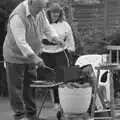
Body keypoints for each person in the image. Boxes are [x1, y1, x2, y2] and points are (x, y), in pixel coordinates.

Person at [3, 0, 63, 120]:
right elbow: (21, 43)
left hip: (31, 56)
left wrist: (55, 38)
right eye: (41, 6)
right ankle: (20, 115)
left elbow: (47, 28)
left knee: (30, 85)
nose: (43, 10)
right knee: (16, 88)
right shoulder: (17, 17)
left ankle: (32, 115)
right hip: (14, 56)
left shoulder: (40, 11)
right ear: (31, 2)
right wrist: (35, 58)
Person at [37, 2, 75, 108]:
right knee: (52, 78)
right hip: (46, 54)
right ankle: (56, 102)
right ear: (49, 13)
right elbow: (38, 38)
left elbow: (70, 38)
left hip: (61, 53)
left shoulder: (65, 25)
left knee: (63, 76)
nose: (56, 15)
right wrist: (38, 49)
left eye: (58, 12)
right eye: (54, 12)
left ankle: (65, 101)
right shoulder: (44, 24)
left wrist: (71, 48)